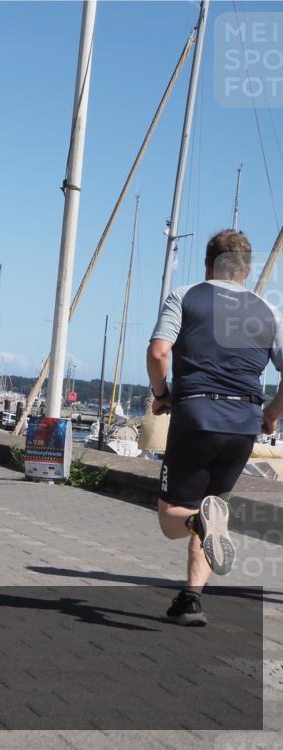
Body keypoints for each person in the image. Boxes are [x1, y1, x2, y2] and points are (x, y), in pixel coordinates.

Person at [148, 229, 283, 626]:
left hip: (197, 415)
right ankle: (191, 599)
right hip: (244, 423)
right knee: (214, 506)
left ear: (209, 265)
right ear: (245, 270)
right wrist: (272, 414)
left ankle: (197, 523)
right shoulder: (269, 312)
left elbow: (158, 352)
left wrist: (162, 393)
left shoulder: (185, 295)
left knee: (173, 517)